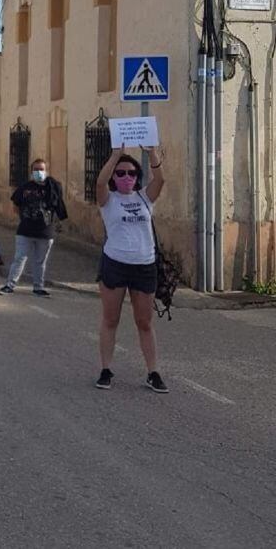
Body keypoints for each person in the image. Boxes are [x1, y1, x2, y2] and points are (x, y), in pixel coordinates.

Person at [93, 147, 168, 393]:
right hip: (115, 263)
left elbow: (160, 180)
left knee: (144, 322)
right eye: (122, 173)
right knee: (111, 319)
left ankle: (153, 372)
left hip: (144, 265)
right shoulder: (107, 199)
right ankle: (105, 369)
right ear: (114, 176)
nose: (127, 177)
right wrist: (114, 155)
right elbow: (100, 181)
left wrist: (153, 153)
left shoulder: (145, 197)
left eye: (132, 173)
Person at [0, 159, 68, 297]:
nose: (39, 172)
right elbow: (15, 206)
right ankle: (9, 285)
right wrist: (26, 217)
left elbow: (58, 205)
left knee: (40, 261)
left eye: (41, 169)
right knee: (19, 258)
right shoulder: (24, 187)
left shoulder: (52, 187)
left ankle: (38, 287)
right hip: (25, 230)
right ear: (31, 171)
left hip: (45, 232)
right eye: (36, 169)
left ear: (46, 171)